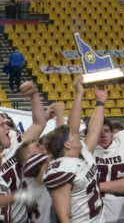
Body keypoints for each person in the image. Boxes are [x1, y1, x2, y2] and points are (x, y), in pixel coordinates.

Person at [0, 81, 47, 223]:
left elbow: (39, 124)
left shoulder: (15, 146)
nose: (8, 129)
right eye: (2, 125)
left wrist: (33, 95)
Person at [43, 77, 107, 223]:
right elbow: (63, 217)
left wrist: (100, 102)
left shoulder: (81, 153)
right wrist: (78, 95)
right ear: (67, 144)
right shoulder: (61, 170)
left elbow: (94, 131)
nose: (77, 135)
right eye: (73, 135)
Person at [88, 75, 124, 223]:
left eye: (107, 131)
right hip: (91, 214)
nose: (103, 135)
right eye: (99, 131)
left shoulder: (122, 142)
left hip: (121, 214)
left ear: (112, 133)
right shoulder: (85, 147)